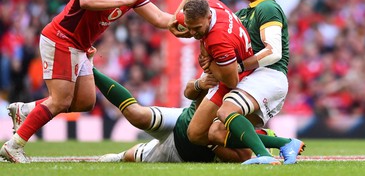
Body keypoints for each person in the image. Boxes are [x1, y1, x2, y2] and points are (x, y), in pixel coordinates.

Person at [0, 0, 184, 163]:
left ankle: (26, 109)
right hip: (61, 39)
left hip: (80, 46)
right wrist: (124, 2)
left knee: (86, 101)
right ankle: (13, 146)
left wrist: (181, 23)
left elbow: (160, 18)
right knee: (60, 101)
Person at [170, 0, 304, 165]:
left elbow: (232, 80)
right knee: (207, 133)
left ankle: (266, 151)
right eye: (190, 28)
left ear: (208, 17)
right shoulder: (207, 6)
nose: (193, 33)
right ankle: (273, 142)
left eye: (197, 28)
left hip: (238, 78)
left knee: (200, 132)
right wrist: (174, 18)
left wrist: (209, 63)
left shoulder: (218, 40)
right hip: (240, 72)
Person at [93, 67, 255, 163]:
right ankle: (90, 69)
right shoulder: (217, 71)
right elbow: (188, 91)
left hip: (182, 155)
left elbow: (244, 155)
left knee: (131, 157)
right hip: (179, 119)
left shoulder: (246, 97)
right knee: (137, 115)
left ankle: (120, 156)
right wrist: (199, 83)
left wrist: (210, 141)